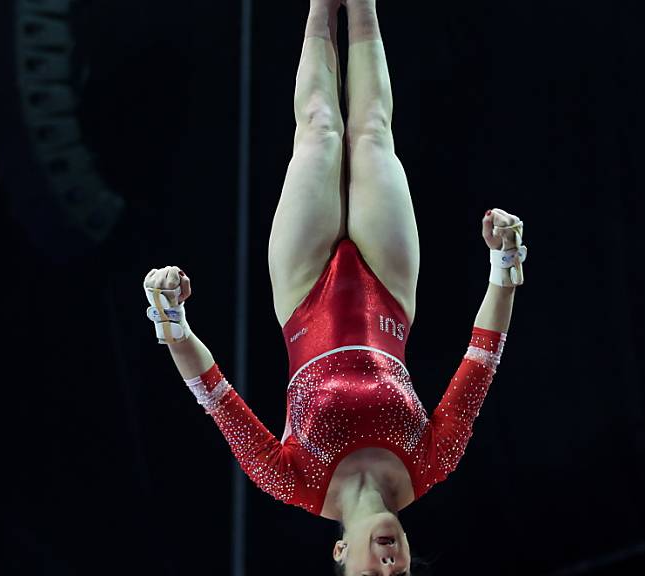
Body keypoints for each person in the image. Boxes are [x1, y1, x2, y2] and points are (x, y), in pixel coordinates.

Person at [142, 1, 527, 573]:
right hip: (389, 287)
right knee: (371, 134)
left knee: (320, 131)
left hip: (303, 294)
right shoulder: (433, 463)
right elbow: (482, 358)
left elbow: (214, 395)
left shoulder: (290, 481)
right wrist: (504, 263)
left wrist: (170, 318)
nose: (391, 567)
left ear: (340, 554)